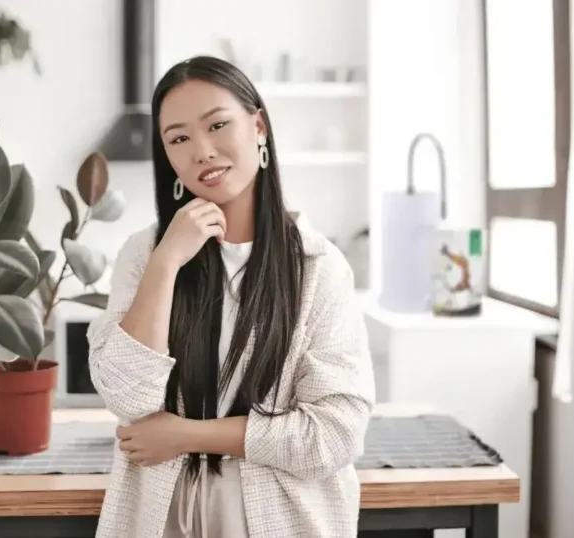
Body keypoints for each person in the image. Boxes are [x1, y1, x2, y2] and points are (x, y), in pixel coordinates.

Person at [87, 55, 376, 538]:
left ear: (258, 127)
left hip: (280, 521)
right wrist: (166, 262)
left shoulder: (319, 268)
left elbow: (335, 435)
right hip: (160, 519)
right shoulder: (144, 254)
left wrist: (185, 436)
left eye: (217, 125)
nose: (202, 151)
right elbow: (126, 395)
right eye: (178, 138)